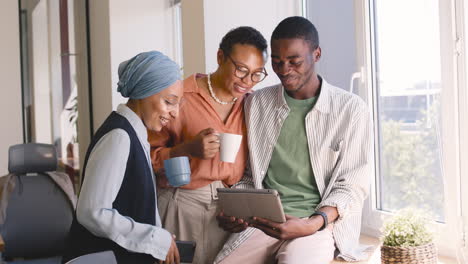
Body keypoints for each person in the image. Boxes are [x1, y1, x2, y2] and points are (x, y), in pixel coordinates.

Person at [216, 16, 371, 264]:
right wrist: (237, 211)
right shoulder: (256, 103)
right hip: (262, 220)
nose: (284, 70)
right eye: (276, 62)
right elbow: (249, 175)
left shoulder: (351, 110)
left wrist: (314, 223)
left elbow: (352, 185)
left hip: (316, 224)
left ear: (316, 54)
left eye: (294, 61)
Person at [149, 26, 268, 264]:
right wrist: (187, 150)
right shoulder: (180, 95)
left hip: (230, 211)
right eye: (242, 70)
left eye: (257, 74)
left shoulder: (253, 104)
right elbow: (147, 158)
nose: (248, 81)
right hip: (181, 203)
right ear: (220, 57)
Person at [62, 51, 184, 264]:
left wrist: (158, 242)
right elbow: (92, 211)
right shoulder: (119, 136)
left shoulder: (135, 134)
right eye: (169, 101)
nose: (175, 113)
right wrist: (154, 238)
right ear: (145, 93)